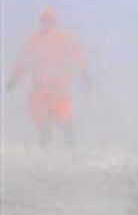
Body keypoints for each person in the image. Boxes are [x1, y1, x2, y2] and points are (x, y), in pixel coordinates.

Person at [7, 8, 89, 146]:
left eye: (49, 21)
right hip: (41, 88)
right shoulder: (34, 40)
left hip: (58, 88)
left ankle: (70, 145)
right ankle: (46, 144)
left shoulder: (64, 39)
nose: (47, 24)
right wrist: (14, 80)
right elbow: (23, 61)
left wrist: (85, 75)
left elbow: (78, 57)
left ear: (54, 22)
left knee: (63, 118)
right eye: (45, 21)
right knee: (41, 118)